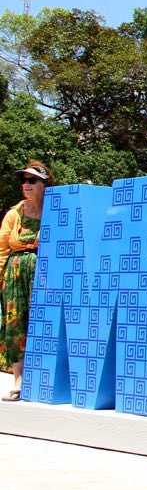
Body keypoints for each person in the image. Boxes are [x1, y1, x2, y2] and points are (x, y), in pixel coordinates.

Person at [1, 161, 52, 401]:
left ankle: (44, 378)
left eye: (32, 180)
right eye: (24, 180)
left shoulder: (54, 210)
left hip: (44, 273)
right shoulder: (14, 213)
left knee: (42, 323)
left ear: (44, 183)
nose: (26, 185)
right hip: (15, 274)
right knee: (15, 325)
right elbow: (2, 249)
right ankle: (19, 381)